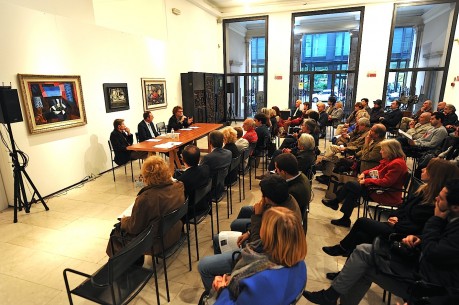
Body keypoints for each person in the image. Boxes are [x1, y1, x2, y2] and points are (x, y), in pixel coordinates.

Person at [304, 179, 459, 305]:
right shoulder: (447, 216)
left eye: (442, 198)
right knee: (362, 248)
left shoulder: (443, 219)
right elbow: (435, 240)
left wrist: (436, 219)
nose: (437, 199)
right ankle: (331, 295)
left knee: (363, 249)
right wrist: (420, 238)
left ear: (456, 207)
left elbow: (434, 252)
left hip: (426, 283)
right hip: (415, 261)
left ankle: (331, 294)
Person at [322, 158, 459, 280]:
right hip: (397, 223)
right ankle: (344, 274)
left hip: (402, 234)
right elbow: (404, 207)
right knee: (360, 235)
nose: (422, 169)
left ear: (436, 176)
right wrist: (395, 216)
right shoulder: (424, 191)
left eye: (427, 168)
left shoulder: (437, 204)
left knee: (362, 221)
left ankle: (342, 249)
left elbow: (419, 228)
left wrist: (396, 224)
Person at [199, 175, 301, 291]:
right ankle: (226, 273)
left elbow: (256, 245)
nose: (262, 198)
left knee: (203, 266)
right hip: (256, 252)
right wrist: (248, 233)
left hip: (255, 259)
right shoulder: (284, 201)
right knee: (218, 239)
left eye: (263, 196)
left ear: (270, 198)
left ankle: (217, 295)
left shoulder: (281, 220)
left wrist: (257, 216)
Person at [209, 207, 307, 305]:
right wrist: (229, 279)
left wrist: (222, 289)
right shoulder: (301, 264)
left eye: (263, 224)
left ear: (267, 234)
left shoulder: (263, 280)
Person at [106, 156, 185, 258]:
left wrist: (124, 221)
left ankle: (124, 269)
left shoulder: (146, 198)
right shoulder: (178, 186)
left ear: (146, 177)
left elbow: (134, 228)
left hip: (157, 242)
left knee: (116, 235)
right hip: (175, 231)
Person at [322, 139, 408, 227]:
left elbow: (386, 182)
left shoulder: (397, 164)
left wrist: (366, 180)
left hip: (386, 193)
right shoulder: (390, 159)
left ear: (390, 150)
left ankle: (337, 205)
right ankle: (342, 213)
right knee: (352, 189)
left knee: (351, 186)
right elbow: (376, 169)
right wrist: (364, 173)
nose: (381, 152)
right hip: (378, 189)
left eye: (382, 149)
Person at [176, 145, 210, 212]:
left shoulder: (182, 179)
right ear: (199, 158)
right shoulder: (206, 168)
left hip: (191, 210)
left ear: (183, 159)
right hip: (205, 204)